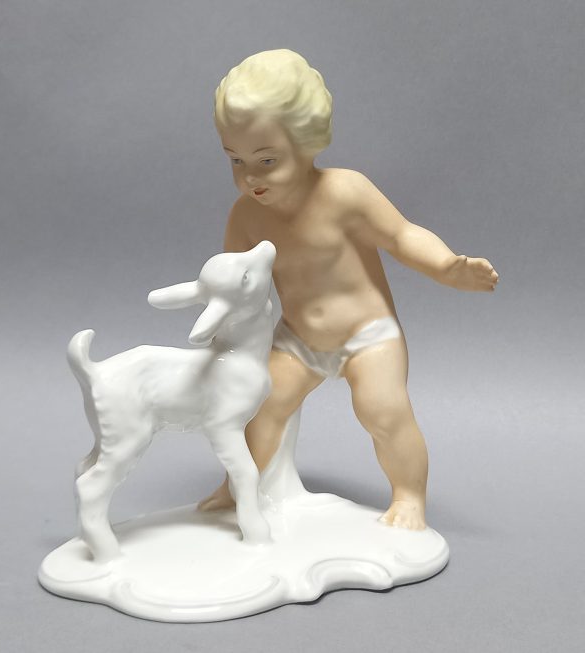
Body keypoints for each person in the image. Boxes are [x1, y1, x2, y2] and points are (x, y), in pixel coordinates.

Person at [198, 49, 498, 529]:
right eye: (235, 160)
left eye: (267, 160)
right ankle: (239, 487)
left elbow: (402, 235)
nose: (250, 176)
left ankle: (408, 497)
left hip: (367, 335)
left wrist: (446, 267)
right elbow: (235, 282)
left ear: (307, 143)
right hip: (298, 339)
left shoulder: (344, 192)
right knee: (259, 405)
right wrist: (224, 334)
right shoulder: (246, 216)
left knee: (383, 411)